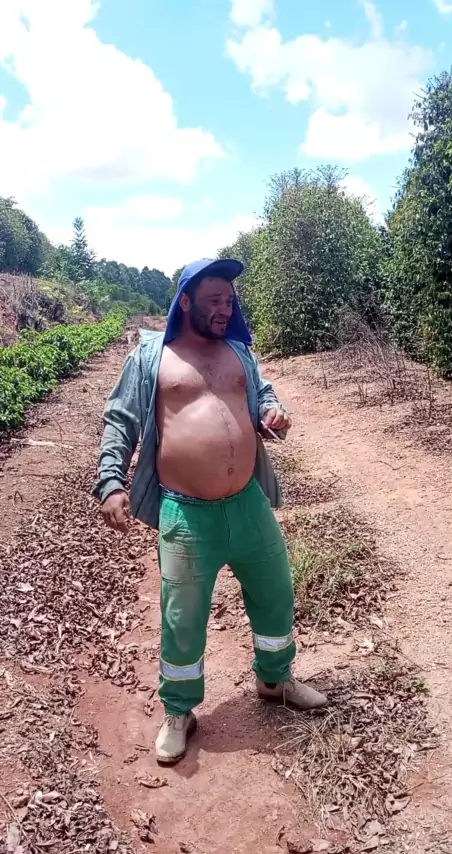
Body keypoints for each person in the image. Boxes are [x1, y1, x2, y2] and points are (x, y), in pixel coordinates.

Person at [95, 258, 327, 766]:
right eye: (214, 301)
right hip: (186, 515)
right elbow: (121, 421)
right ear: (185, 301)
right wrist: (110, 481)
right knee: (182, 617)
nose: (225, 309)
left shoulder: (239, 351)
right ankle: (179, 711)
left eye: (229, 301)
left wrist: (273, 412)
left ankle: (275, 679)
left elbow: (262, 395)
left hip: (248, 503)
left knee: (275, 592)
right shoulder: (153, 357)